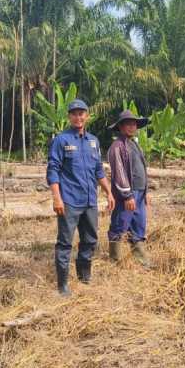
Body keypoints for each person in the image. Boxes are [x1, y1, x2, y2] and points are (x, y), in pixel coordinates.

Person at [46, 99, 115, 296]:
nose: (78, 117)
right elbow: (53, 171)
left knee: (90, 239)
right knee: (65, 242)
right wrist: (57, 198)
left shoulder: (93, 141)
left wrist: (108, 192)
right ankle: (63, 285)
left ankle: (84, 278)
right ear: (69, 116)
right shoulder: (61, 140)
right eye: (74, 113)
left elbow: (98, 171)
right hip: (69, 201)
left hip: (89, 201)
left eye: (81, 113)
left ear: (87, 116)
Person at [106, 110, 153, 268]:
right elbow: (119, 174)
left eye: (134, 124)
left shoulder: (134, 144)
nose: (132, 127)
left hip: (140, 192)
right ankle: (115, 260)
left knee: (139, 224)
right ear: (120, 127)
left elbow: (142, 169)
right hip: (126, 194)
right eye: (128, 124)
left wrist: (146, 192)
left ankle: (142, 260)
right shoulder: (117, 147)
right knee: (120, 223)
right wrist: (127, 196)